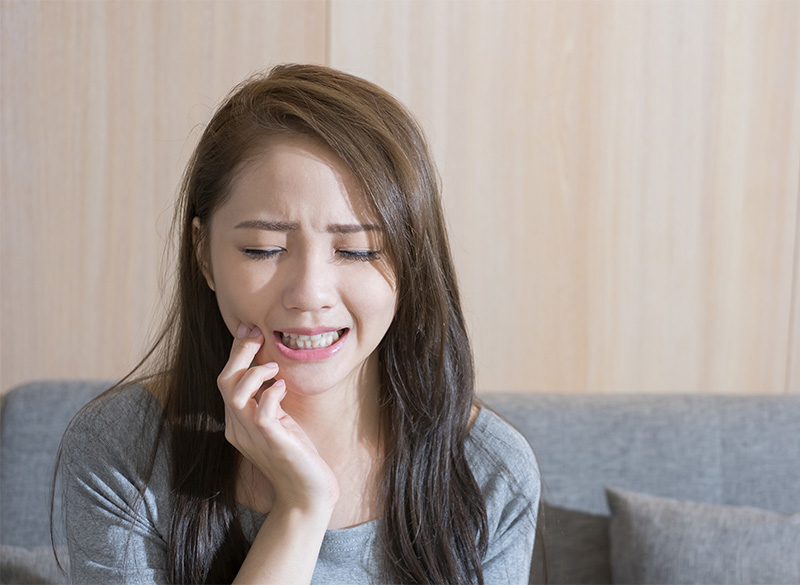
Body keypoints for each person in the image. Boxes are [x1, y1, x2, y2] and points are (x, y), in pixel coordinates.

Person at [57, 64, 540, 584]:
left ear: (412, 266)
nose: (309, 293)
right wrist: (301, 509)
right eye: (263, 249)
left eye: (358, 251)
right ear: (203, 254)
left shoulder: (490, 471)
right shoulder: (122, 449)